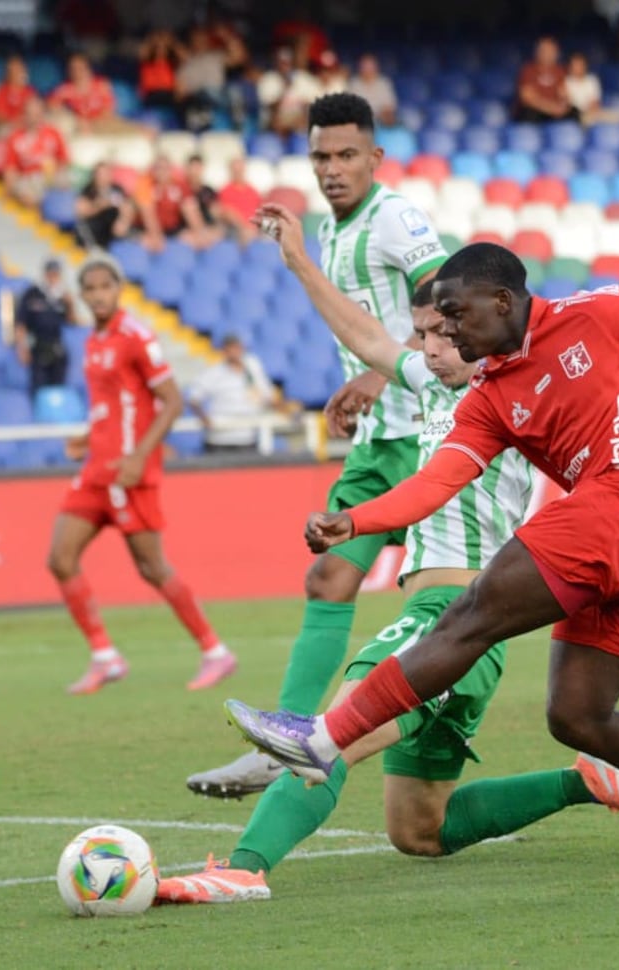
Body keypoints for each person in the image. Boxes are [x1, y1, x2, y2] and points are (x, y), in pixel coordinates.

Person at [226, 242, 619, 881]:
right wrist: (358, 521)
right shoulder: (486, 397)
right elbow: (437, 483)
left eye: (455, 315)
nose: (448, 331)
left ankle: (323, 739)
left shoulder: (605, 311)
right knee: (577, 716)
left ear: (503, 301)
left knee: (468, 616)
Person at [167, 273, 619, 903]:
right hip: (464, 640)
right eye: (421, 335)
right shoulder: (434, 391)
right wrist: (298, 259)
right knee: (420, 829)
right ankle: (588, 782)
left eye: (445, 333)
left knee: (329, 741)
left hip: (452, 620)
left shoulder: (523, 404)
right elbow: (365, 339)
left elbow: (606, 509)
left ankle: (243, 869)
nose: (432, 348)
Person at [184, 92, 447, 796]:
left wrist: (374, 373)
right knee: (329, 574)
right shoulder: (330, 233)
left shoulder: (396, 219)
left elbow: (452, 308)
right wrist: (359, 390)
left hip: (432, 436)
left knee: (506, 578)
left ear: (375, 158)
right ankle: (286, 739)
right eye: (321, 156)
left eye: (346, 155)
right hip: (380, 444)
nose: (333, 169)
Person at [50, 252, 236, 695]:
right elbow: (114, 405)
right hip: (97, 469)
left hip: (130, 474)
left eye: (104, 287)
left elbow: (171, 401)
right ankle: (105, 656)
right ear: (82, 295)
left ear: (118, 290)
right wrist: (87, 436)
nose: (97, 295)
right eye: (90, 289)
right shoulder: (93, 341)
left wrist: (138, 457)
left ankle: (215, 651)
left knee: (152, 568)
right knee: (59, 558)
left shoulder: (136, 337)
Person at [186, 334, 288, 452]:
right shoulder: (214, 373)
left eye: (237, 347)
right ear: (224, 351)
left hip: (247, 438)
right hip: (220, 439)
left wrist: (285, 409)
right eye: (231, 348)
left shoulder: (253, 369)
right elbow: (194, 399)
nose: (235, 352)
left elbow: (267, 398)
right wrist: (204, 418)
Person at [15, 259, 76, 396]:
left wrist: (70, 304)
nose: (53, 278)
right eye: (50, 274)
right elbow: (21, 323)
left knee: (58, 390)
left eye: (56, 274)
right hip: (38, 347)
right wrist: (22, 348)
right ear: (45, 274)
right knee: (38, 389)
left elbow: (71, 322)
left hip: (57, 347)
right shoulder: (32, 294)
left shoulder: (62, 296)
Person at [136, 154, 220, 251]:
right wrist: (156, 236)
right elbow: (148, 213)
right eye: (159, 168)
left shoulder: (179, 186)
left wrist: (200, 232)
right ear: (153, 170)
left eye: (165, 168)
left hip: (173, 229)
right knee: (147, 242)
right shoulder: (146, 185)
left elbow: (190, 210)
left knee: (197, 239)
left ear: (171, 170)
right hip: (149, 229)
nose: (162, 172)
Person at [2, 97, 68, 207]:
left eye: (37, 114)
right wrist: (8, 190)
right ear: (24, 115)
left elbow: (64, 160)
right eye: (30, 114)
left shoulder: (53, 133)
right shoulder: (15, 137)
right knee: (24, 191)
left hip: (50, 176)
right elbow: (11, 169)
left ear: (42, 115)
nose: (33, 118)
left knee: (65, 181)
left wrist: (54, 174)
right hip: (28, 179)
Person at [48, 54, 121, 134]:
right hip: (79, 126)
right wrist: (76, 119)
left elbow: (108, 110)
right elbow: (51, 105)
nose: (77, 72)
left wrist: (93, 123)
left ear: (88, 68)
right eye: (73, 68)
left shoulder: (102, 85)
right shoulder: (65, 89)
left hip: (102, 124)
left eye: (80, 68)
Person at [257, 47, 321, 136]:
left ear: (292, 63)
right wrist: (284, 89)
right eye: (281, 63)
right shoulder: (268, 79)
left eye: (287, 63)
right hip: (276, 122)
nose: (284, 66)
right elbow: (272, 109)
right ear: (276, 63)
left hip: (299, 120)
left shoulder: (303, 78)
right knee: (277, 123)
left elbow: (311, 105)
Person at [514, 36, 579, 124]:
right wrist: (550, 108)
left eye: (551, 51)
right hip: (537, 110)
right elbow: (527, 97)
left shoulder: (559, 71)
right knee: (528, 113)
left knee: (574, 111)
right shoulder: (528, 70)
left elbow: (563, 93)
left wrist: (563, 105)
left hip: (553, 111)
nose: (548, 54)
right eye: (544, 51)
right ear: (537, 52)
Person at [75, 162, 138, 249]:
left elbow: (128, 207)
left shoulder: (117, 190)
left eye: (106, 174)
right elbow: (81, 211)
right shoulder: (88, 190)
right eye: (100, 174)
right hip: (94, 230)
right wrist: (99, 205)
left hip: (112, 231)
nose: (102, 177)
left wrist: (123, 221)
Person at [215, 157, 261, 243]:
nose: (238, 173)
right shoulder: (225, 191)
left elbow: (259, 211)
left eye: (240, 170)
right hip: (234, 230)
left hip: (254, 229)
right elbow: (226, 213)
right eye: (235, 170)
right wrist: (243, 227)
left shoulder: (253, 191)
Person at [138, 29, 184, 111]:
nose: (161, 49)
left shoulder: (172, 64)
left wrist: (171, 41)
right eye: (158, 47)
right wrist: (153, 39)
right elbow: (142, 52)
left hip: (168, 95)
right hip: (151, 95)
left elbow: (184, 56)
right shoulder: (147, 62)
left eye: (164, 47)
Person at [347, 53, 396, 126]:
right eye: (365, 66)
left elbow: (389, 107)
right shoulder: (354, 84)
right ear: (360, 68)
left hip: (381, 123)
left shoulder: (384, 83)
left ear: (376, 68)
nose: (368, 70)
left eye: (370, 67)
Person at [0, 55, 35, 132]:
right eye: (15, 69)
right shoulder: (3, 91)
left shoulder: (30, 91)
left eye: (21, 69)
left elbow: (36, 112)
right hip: (10, 128)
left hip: (28, 127)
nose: (20, 72)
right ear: (8, 73)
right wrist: (13, 122)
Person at [564, 52, 603, 125]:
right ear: (570, 67)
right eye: (575, 65)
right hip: (576, 116)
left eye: (580, 65)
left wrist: (592, 111)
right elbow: (568, 104)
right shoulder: (566, 82)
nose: (577, 68)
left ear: (585, 66)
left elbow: (595, 102)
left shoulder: (592, 80)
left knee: (618, 117)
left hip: (593, 113)